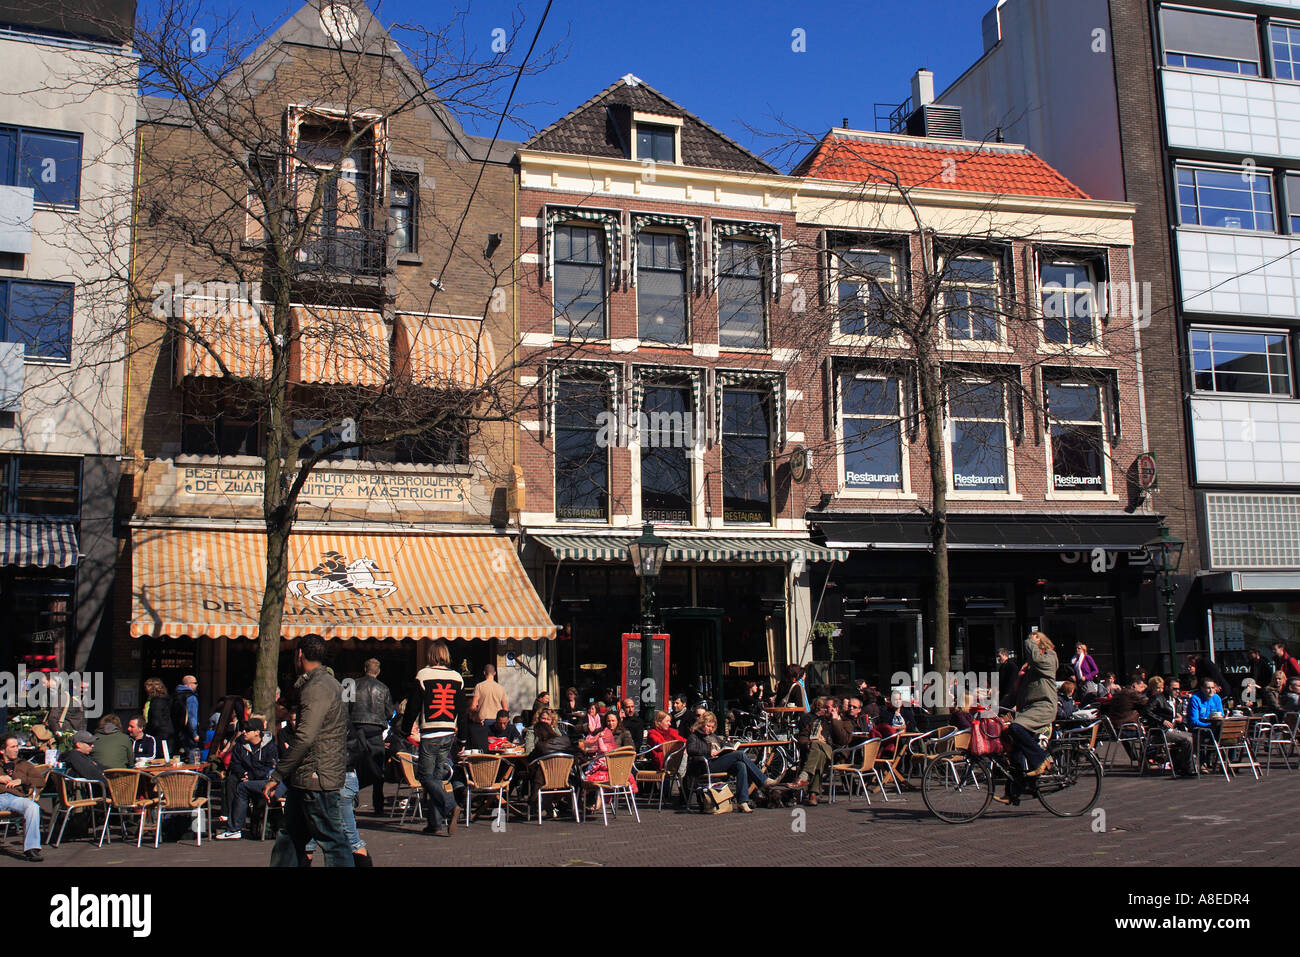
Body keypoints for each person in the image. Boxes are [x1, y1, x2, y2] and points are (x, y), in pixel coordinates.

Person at [264, 636, 353, 867]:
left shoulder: (316, 688)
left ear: (300, 654)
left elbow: (305, 737)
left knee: (331, 839)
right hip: (308, 775)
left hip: (316, 775)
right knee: (290, 835)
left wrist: (278, 774)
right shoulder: (326, 683)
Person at [399, 639, 464, 837]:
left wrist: (405, 728)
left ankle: (451, 805)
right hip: (449, 732)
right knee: (436, 777)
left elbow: (413, 705)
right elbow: (462, 708)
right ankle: (434, 824)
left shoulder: (423, 675)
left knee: (425, 777)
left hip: (430, 732)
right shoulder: (457, 677)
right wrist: (463, 739)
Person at [685, 711, 778, 813]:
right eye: (708, 726)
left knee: (740, 765)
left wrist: (729, 746)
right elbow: (691, 750)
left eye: (712, 727)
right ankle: (763, 780)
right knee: (740, 755)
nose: (710, 729)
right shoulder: (694, 736)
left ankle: (742, 802)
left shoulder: (713, 736)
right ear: (702, 724)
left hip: (716, 762)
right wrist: (709, 751)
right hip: (704, 765)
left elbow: (724, 744)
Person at [216, 717, 282, 839]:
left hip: (264, 779)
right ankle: (232, 820)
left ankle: (235, 827)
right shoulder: (240, 744)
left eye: (248, 730)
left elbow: (271, 768)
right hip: (245, 776)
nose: (244, 732)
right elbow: (234, 763)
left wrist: (251, 776)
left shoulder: (270, 747)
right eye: (243, 729)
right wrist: (243, 774)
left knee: (242, 787)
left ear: (257, 732)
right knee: (231, 781)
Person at [1008, 634, 1058, 779]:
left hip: (1043, 707)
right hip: (1028, 709)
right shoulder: (1031, 667)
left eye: (1035, 639)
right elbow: (1020, 691)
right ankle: (1015, 790)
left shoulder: (1050, 658)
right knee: (1015, 747)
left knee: (1015, 727)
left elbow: (1037, 659)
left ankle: (1041, 760)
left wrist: (1030, 640)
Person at [348, 657, 393, 816]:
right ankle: (378, 804)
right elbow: (388, 712)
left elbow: (344, 708)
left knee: (353, 766)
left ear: (364, 669)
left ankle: (351, 801)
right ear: (378, 671)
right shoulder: (383, 688)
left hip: (355, 728)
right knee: (377, 769)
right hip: (375, 730)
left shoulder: (352, 684)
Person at [789, 697, 853, 805]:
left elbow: (843, 740)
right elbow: (803, 735)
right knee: (818, 753)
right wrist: (806, 743)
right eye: (824, 707)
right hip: (816, 754)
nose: (824, 710)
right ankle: (813, 795)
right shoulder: (816, 721)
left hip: (834, 753)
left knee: (817, 745)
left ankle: (804, 777)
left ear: (835, 709)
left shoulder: (845, 723)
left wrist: (835, 721)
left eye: (828, 708)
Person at [0, 732, 46, 861]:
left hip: (15, 798)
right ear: (2, 750)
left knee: (32, 806)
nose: (16, 749)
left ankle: (31, 848)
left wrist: (22, 780)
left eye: (17, 746)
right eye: (12, 747)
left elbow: (41, 781)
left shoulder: (24, 764)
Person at [1141, 676, 1196, 778]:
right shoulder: (1158, 698)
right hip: (1160, 731)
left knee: (1196, 736)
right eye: (1174, 689)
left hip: (1174, 730)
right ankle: (1188, 768)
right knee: (1188, 739)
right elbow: (1146, 711)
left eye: (1178, 689)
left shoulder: (1176, 701)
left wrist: (1181, 719)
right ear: (1166, 688)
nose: (1177, 691)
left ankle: (1181, 765)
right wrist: (1162, 720)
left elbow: (1179, 716)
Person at [171, 675, 201, 763]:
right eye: (195, 683)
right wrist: (195, 734)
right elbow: (192, 717)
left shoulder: (175, 695)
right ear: (189, 684)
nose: (197, 685)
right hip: (188, 734)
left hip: (177, 733)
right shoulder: (191, 697)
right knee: (193, 761)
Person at [470, 664, 509, 730]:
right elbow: (505, 709)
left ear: (484, 673)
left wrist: (475, 719)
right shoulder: (500, 688)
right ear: (495, 673)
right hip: (497, 721)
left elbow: (473, 706)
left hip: (482, 720)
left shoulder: (479, 686)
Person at [142, 677, 174, 755]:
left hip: (160, 735)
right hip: (166, 732)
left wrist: (147, 731)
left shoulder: (157, 702)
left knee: (161, 757)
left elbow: (156, 720)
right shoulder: (163, 700)